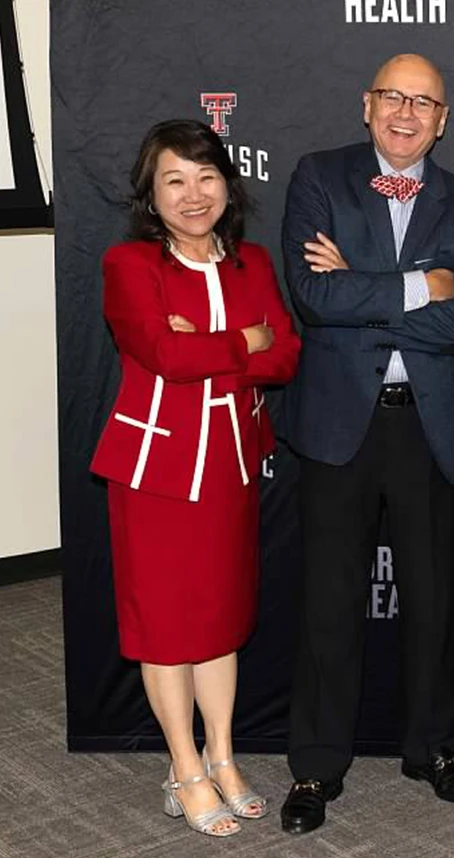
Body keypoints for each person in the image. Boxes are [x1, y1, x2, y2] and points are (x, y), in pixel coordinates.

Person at [278, 53, 454, 835]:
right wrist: (418, 284)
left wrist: (360, 285)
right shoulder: (318, 176)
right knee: (328, 604)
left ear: (444, 120)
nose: (407, 113)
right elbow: (312, 296)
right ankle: (315, 766)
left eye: (425, 102)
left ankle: (432, 749)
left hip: (429, 426)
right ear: (367, 104)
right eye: (393, 97)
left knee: (433, 602)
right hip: (340, 423)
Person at [90, 119, 300, 837]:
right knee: (166, 628)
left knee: (217, 624)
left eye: (206, 176)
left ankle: (224, 756)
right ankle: (184, 768)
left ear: (228, 185)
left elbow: (287, 358)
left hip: (230, 469)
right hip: (154, 472)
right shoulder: (130, 266)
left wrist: (206, 343)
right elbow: (163, 357)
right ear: (150, 195)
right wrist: (246, 339)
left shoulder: (255, 265)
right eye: (174, 180)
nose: (193, 193)